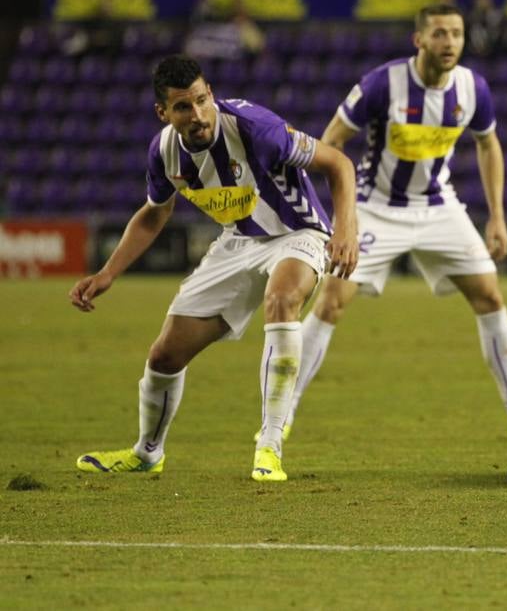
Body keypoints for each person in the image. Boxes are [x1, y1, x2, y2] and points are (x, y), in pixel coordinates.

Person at [70, 55, 358, 483]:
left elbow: (339, 163)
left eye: (203, 100)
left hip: (298, 233)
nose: (199, 114)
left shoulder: (255, 128)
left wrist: (347, 230)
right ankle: (147, 452)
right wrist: (107, 273)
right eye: (184, 107)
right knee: (164, 355)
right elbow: (154, 214)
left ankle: (270, 445)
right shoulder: (165, 151)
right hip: (237, 244)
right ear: (163, 113)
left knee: (282, 300)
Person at [279, 3, 507, 445]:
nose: (450, 43)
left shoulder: (472, 88)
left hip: (438, 207)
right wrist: (340, 218)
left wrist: (497, 216)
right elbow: (330, 143)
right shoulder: (381, 84)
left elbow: (489, 145)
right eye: (440, 34)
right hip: (375, 207)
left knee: (490, 295)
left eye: (457, 34)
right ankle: (284, 412)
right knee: (331, 301)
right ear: (420, 40)